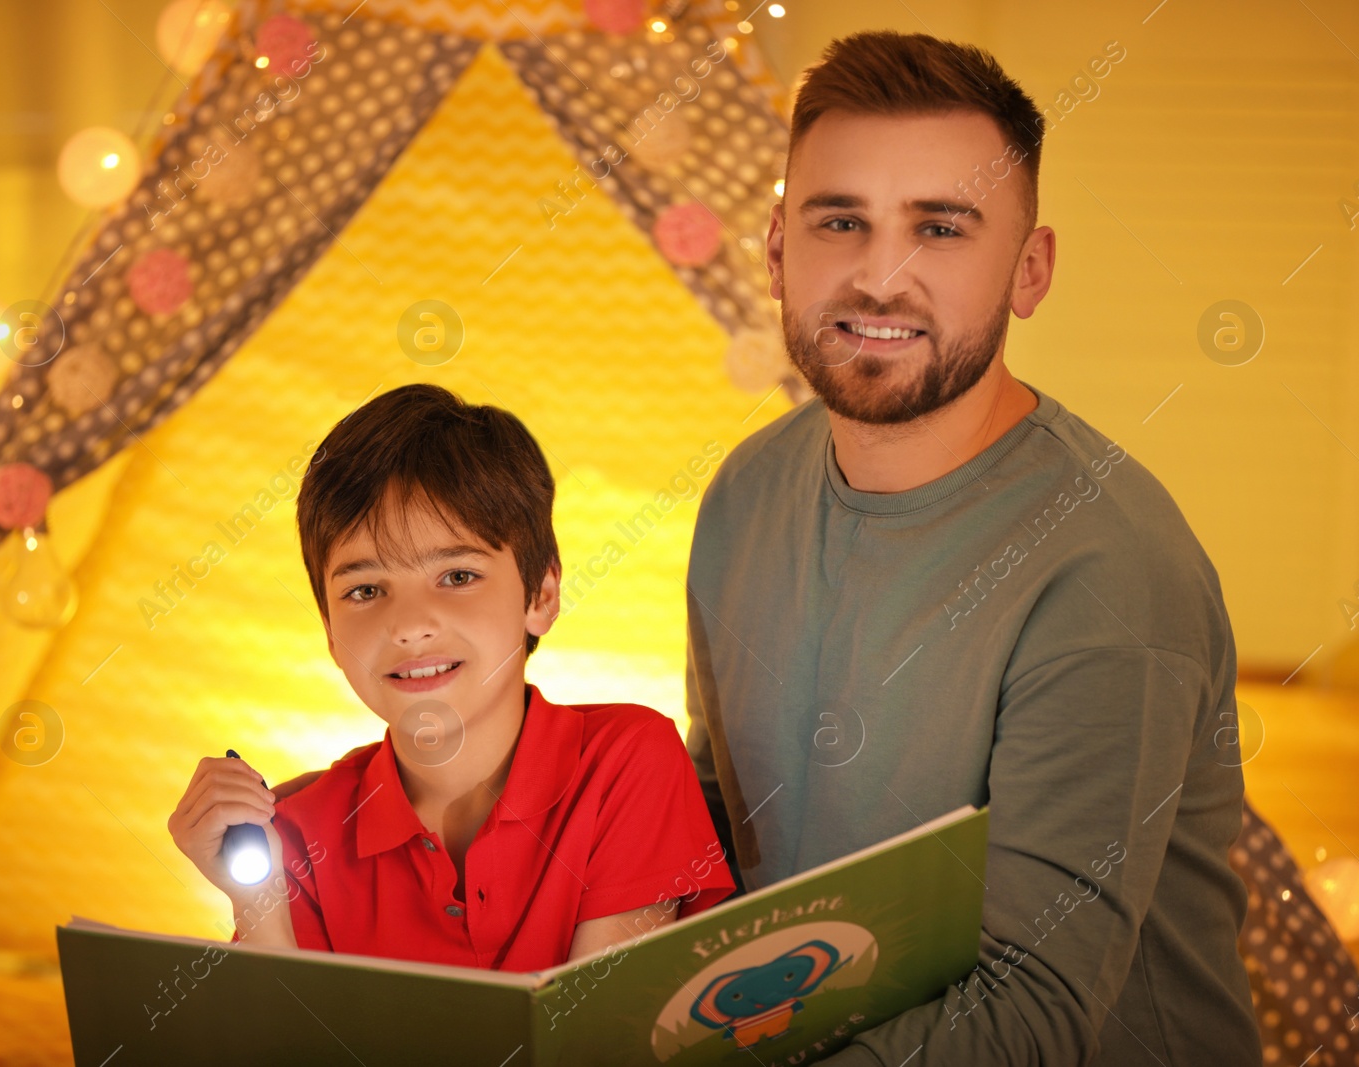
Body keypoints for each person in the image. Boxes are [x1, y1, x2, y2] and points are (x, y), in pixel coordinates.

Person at [683, 31, 1263, 1065]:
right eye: (840, 221)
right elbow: (724, 825)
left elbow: (1027, 1016)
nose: (878, 276)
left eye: (940, 227)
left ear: (1028, 269)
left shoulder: (1108, 573)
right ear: (777, 252)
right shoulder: (743, 494)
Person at [169, 384, 734, 971]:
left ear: (540, 593)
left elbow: (601, 1039)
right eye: (365, 591)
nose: (410, 626)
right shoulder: (288, 836)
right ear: (331, 634)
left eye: (458, 576)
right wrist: (258, 905)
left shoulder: (626, 763)